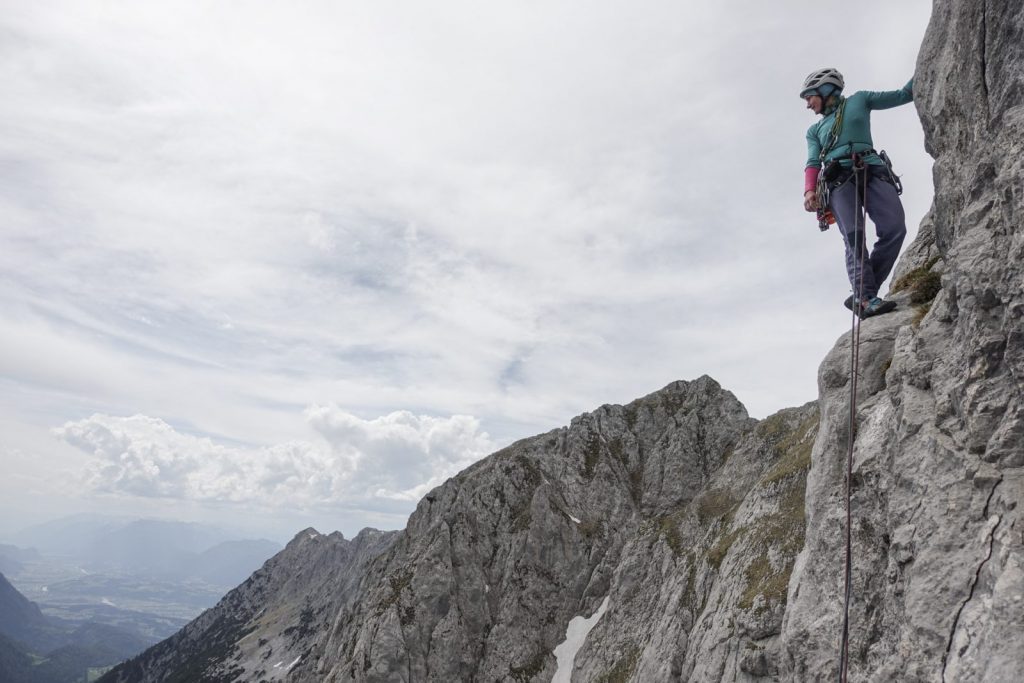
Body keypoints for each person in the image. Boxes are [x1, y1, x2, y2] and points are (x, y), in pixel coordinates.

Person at [800, 68, 914, 319]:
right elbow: (812, 162)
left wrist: (925, 68)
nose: (808, 104)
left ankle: (862, 292)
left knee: (895, 228)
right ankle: (865, 297)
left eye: (809, 96)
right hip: (839, 179)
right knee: (854, 238)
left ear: (826, 88)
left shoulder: (860, 100)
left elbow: (904, 95)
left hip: (871, 168)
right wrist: (810, 190)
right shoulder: (814, 131)